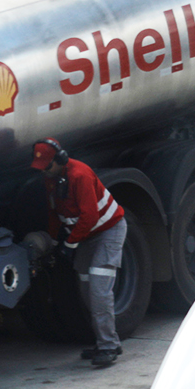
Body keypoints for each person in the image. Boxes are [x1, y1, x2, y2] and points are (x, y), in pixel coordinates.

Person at [30, 138, 127, 367]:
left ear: (60, 159)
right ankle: (106, 340)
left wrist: (71, 244)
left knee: (99, 290)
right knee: (86, 289)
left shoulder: (80, 175)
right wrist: (54, 241)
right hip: (86, 235)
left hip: (107, 231)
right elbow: (54, 212)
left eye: (47, 166)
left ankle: (108, 346)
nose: (44, 171)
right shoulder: (52, 178)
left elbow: (90, 217)